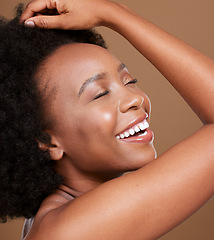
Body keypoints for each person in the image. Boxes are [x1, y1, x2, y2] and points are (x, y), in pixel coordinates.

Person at [0, 0, 213, 239]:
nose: (133, 99)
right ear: (46, 140)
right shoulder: (72, 229)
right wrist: (114, 13)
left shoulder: (54, 218)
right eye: (100, 93)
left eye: (129, 80)